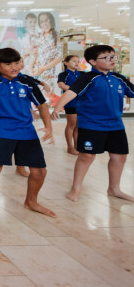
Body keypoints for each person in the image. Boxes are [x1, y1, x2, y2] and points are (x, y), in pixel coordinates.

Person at [0, 48, 55, 218]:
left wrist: (49, 127)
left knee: (40, 171)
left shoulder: (26, 81)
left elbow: (42, 105)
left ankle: (31, 201)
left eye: (16, 63)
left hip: (27, 132)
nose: (14, 67)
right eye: (8, 64)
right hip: (2, 131)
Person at [52, 45, 134, 203]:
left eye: (113, 57)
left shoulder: (118, 78)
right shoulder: (87, 78)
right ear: (93, 61)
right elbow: (71, 92)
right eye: (107, 57)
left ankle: (114, 189)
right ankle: (75, 188)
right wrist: (57, 107)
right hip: (91, 124)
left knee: (119, 156)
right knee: (87, 156)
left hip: (115, 124)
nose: (112, 60)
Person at [32, 12, 62, 99]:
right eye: (42, 22)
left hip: (49, 72)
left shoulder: (57, 36)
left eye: (47, 20)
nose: (44, 24)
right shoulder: (38, 36)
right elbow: (34, 53)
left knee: (48, 96)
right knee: (36, 96)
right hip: (36, 71)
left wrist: (42, 69)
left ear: (51, 21)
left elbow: (59, 57)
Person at [57, 55, 81, 155]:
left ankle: (77, 146)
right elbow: (61, 85)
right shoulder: (64, 74)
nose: (77, 63)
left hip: (81, 102)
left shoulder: (81, 74)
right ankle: (70, 147)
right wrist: (75, 90)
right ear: (66, 63)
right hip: (71, 102)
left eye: (78, 61)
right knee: (71, 124)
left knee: (78, 126)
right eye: (73, 61)